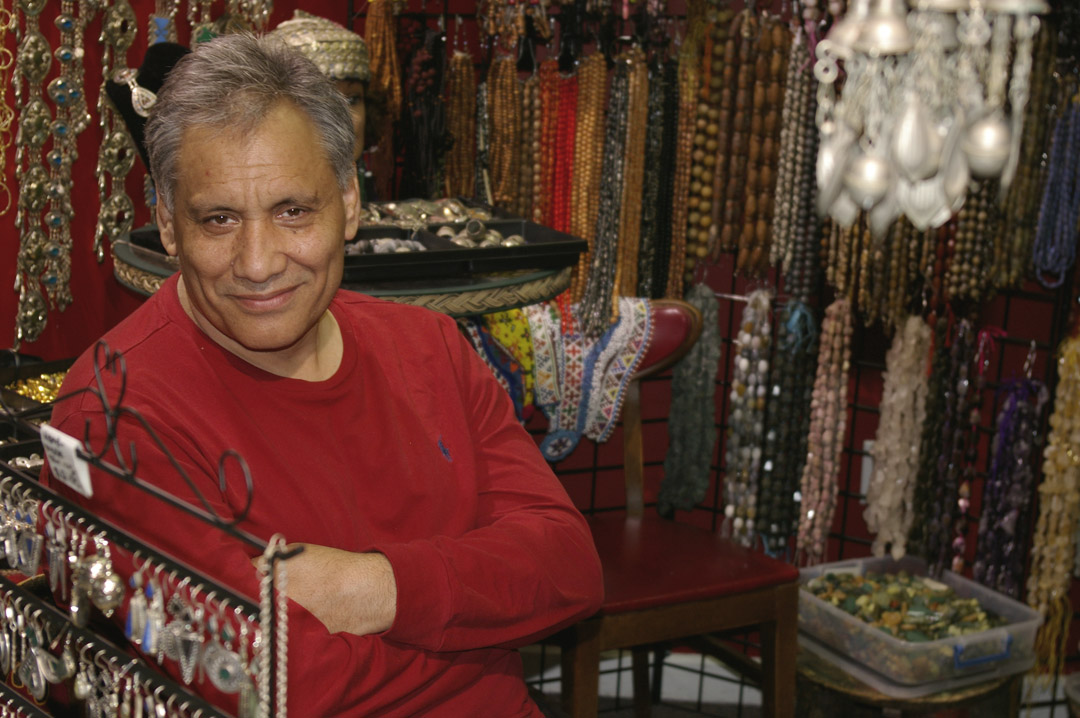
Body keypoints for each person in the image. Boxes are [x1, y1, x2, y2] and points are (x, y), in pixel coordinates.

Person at [44, 32, 603, 717]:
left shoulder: (428, 346)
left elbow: (570, 569)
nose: (257, 262)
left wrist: (371, 588)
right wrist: (477, 613)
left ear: (349, 203)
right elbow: (276, 685)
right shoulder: (114, 412)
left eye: (292, 212)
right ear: (167, 224)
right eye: (218, 219)